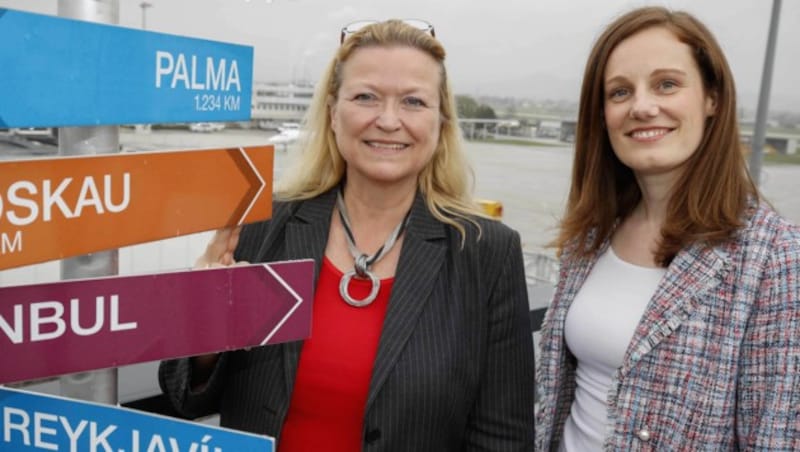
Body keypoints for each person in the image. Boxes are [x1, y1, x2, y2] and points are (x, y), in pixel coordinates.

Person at [159, 19, 536, 451]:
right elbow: (182, 396)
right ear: (333, 113)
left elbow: (503, 439)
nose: (389, 120)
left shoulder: (487, 252)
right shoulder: (260, 226)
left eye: (413, 101)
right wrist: (205, 329)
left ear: (441, 122)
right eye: (366, 97)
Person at [535, 6, 800, 451]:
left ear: (712, 98)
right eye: (620, 92)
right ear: (601, 114)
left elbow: (776, 436)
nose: (642, 106)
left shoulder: (773, 256)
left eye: (667, 84)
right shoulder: (592, 236)